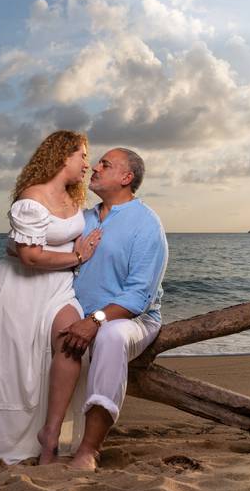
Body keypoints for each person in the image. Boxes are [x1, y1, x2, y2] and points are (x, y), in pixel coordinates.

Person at [0, 130, 103, 464]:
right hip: (21, 288)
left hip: (58, 287)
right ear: (62, 155)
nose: (87, 163)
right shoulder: (31, 198)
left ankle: (50, 432)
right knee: (15, 367)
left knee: (72, 342)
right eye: (82, 155)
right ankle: (9, 439)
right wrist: (78, 258)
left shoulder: (75, 199)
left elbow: (53, 242)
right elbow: (30, 256)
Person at [58, 147, 169, 471]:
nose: (95, 167)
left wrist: (96, 319)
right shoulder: (84, 218)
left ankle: (89, 450)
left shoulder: (146, 223)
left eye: (105, 164)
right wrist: (6, 267)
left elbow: (140, 295)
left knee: (112, 337)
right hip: (80, 317)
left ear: (126, 177)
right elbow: (51, 254)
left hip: (133, 319)